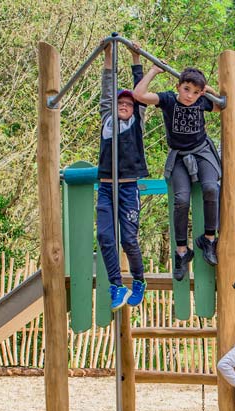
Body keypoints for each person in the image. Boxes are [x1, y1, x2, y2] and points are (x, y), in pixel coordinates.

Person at [133, 64, 221, 276]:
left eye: (196, 92)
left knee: (211, 188)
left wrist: (210, 92)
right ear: (178, 86)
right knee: (181, 200)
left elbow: (220, 107)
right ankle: (182, 251)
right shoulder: (168, 100)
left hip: (201, 151)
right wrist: (154, 71)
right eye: (187, 89)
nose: (190, 96)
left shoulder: (201, 101)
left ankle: (209, 239)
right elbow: (138, 95)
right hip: (179, 155)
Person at [96, 42, 148, 311]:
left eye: (129, 103)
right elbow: (107, 88)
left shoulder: (136, 121)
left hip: (128, 188)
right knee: (105, 237)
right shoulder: (107, 117)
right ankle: (116, 284)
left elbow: (140, 92)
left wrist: (135, 57)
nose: (125, 105)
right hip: (105, 187)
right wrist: (107, 56)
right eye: (121, 102)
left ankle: (139, 280)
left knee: (128, 239)